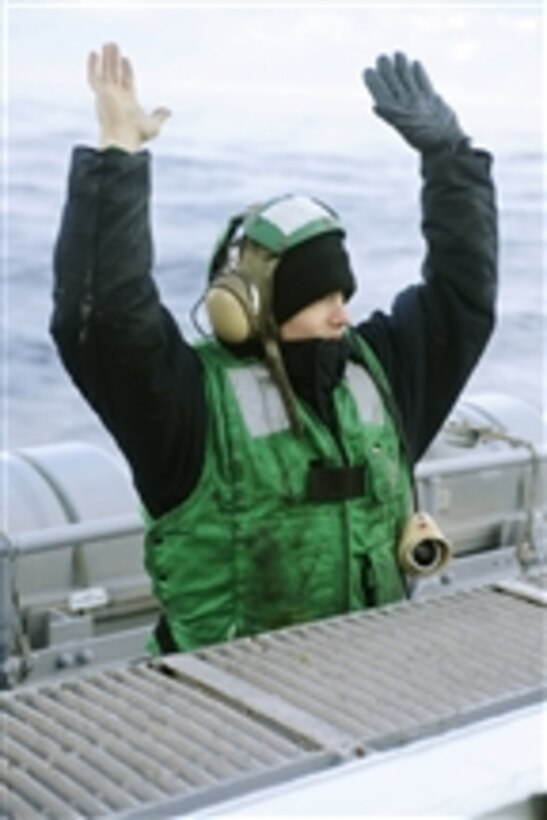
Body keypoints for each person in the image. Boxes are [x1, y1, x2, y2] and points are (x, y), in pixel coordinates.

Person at [51, 43, 497, 654]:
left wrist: (450, 160)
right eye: (320, 297)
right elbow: (104, 320)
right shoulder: (184, 406)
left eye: (345, 292)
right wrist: (118, 152)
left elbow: (462, 296)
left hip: (372, 686)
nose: (343, 312)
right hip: (221, 707)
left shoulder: (381, 376)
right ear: (251, 308)